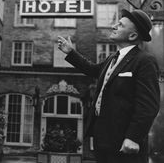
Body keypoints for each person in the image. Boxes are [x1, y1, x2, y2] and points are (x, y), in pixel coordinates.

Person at [58, 9, 160, 163]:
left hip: (124, 142)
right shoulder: (113, 58)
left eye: (120, 25)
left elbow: (148, 105)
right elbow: (93, 70)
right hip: (103, 138)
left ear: (132, 36)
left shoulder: (144, 61)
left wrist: (133, 138)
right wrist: (71, 53)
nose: (114, 26)